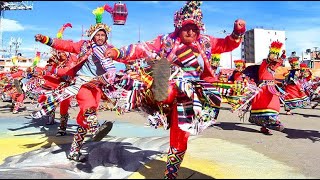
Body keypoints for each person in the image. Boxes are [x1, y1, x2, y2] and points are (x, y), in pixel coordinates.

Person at [105, 1, 245, 178]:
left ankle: (171, 172)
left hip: (193, 95)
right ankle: (149, 98)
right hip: (168, 86)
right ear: (179, 27)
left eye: (194, 29)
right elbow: (143, 48)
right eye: (187, 28)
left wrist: (238, 32)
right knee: (165, 85)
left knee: (181, 134)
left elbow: (227, 44)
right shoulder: (167, 40)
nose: (191, 32)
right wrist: (119, 53)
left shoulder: (206, 42)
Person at [34, 6, 116, 161]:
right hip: (81, 84)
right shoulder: (84, 46)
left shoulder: (109, 50)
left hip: (97, 85)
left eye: (102, 35)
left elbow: (122, 58)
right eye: (97, 35)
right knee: (88, 106)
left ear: (106, 37)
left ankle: (74, 151)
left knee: (84, 119)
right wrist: (46, 39)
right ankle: (95, 129)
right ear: (92, 36)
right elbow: (65, 45)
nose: (100, 37)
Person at [248, 41, 286, 135]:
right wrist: (272, 55)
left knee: (274, 105)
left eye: (276, 55)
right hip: (263, 89)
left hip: (271, 88)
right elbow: (269, 59)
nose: (275, 57)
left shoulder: (273, 66)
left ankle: (273, 122)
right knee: (264, 107)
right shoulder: (265, 63)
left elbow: (279, 62)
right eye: (273, 55)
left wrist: (283, 56)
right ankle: (264, 126)